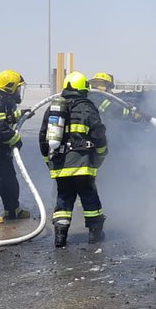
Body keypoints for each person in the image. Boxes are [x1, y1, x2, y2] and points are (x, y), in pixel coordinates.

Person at [38, 71, 108, 247]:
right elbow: (98, 135)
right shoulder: (88, 107)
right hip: (83, 164)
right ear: (83, 89)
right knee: (90, 198)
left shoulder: (53, 108)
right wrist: (100, 155)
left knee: (63, 199)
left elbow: (43, 137)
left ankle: (60, 237)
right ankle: (95, 235)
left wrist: (49, 161)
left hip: (60, 164)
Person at [0, 69, 31, 224]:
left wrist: (20, 114)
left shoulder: (3, 101)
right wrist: (15, 138)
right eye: (17, 87)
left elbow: (6, 118)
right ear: (10, 87)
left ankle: (12, 209)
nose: (18, 91)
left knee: (10, 182)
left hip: (4, 150)